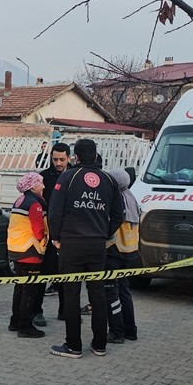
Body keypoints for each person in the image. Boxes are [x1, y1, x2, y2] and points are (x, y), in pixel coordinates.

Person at [47, 139, 123, 358]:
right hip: (97, 245)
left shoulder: (68, 177)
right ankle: (100, 345)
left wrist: (56, 238)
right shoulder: (108, 180)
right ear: (96, 155)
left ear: (75, 157)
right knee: (97, 294)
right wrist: (105, 232)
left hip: (71, 244)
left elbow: (55, 212)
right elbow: (119, 214)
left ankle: (73, 346)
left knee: (71, 294)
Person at [33, 142, 71, 327]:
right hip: (47, 235)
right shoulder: (43, 177)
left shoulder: (74, 176)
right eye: (55, 159)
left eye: (62, 159)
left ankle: (65, 311)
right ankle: (37, 311)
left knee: (66, 276)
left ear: (69, 158)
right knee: (43, 275)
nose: (58, 163)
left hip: (68, 235)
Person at [7, 172, 48, 339]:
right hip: (30, 251)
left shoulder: (20, 200)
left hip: (17, 250)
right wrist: (45, 240)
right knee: (29, 291)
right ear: (33, 186)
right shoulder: (35, 204)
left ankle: (15, 321)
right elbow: (39, 230)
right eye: (41, 184)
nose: (44, 187)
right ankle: (25, 326)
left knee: (20, 287)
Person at [104, 168, 140, 343]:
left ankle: (116, 332)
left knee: (111, 293)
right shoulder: (131, 197)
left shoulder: (117, 199)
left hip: (115, 251)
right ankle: (130, 330)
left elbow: (113, 222)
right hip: (130, 252)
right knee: (125, 291)